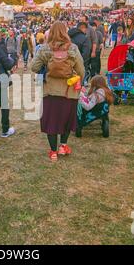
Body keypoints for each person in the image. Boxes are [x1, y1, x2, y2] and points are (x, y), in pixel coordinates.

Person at [31, 22, 85, 162]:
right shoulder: (73, 48)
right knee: (67, 121)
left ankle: (53, 152)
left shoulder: (44, 49)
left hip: (50, 91)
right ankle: (63, 146)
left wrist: (46, 67)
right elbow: (81, 71)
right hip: (69, 91)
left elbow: (34, 67)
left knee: (51, 122)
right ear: (65, 32)